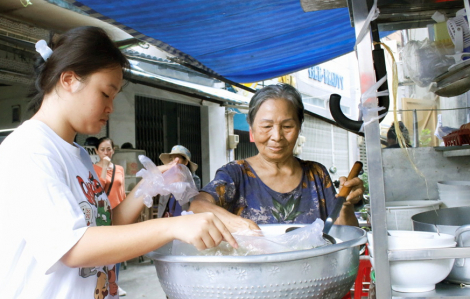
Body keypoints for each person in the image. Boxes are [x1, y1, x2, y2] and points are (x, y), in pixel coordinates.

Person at [0, 26, 236, 299]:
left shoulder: (77, 155)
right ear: (68, 80)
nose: (111, 107)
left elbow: (105, 227)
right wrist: (173, 226)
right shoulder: (30, 149)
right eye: (105, 93)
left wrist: (149, 185)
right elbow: (74, 247)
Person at [190, 84, 364, 232]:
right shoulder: (235, 174)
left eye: (287, 126)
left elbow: (343, 236)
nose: (277, 136)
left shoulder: (316, 174)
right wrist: (238, 224)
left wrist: (346, 205)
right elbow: (197, 206)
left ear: (299, 128)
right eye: (266, 126)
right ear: (252, 131)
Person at [93, 137, 127, 296]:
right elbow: (98, 188)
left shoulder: (120, 169)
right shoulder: (92, 168)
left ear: (113, 150)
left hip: (117, 214)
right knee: (104, 250)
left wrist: (125, 212)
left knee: (118, 250)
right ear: (96, 151)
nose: (106, 152)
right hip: (102, 215)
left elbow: (121, 191)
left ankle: (115, 283)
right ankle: (102, 284)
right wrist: (104, 167)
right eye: (102, 149)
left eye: (109, 149)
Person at [157, 145, 202, 218]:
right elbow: (162, 202)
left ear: (185, 162)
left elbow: (192, 200)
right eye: (172, 159)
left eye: (177, 158)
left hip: (184, 217)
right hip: (168, 218)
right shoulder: (167, 177)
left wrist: (180, 180)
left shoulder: (194, 179)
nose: (174, 162)